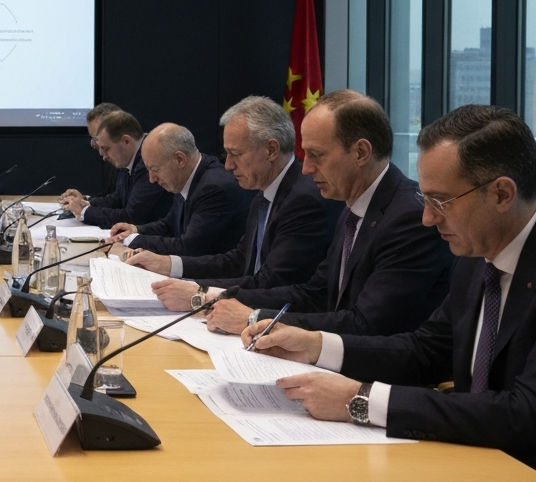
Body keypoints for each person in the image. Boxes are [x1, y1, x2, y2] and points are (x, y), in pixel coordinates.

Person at [246, 105, 536, 482]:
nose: (427, 217)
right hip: (479, 467)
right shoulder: (478, 252)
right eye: (424, 197)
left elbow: (528, 415)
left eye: (441, 201)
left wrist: (358, 400)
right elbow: (425, 351)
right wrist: (317, 346)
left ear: (502, 194)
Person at [154, 90, 453, 337]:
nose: (306, 168)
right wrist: (225, 303)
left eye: (317, 155)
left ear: (361, 152)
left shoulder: (409, 218)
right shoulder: (356, 206)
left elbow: (368, 324)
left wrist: (253, 318)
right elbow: (316, 293)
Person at [126, 96, 338, 291]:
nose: (227, 165)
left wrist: (199, 292)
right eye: (226, 154)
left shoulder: (303, 201)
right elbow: (238, 260)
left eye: (235, 154)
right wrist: (168, 264)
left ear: (271, 150)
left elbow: (271, 282)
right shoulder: (264, 195)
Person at [108, 122, 250, 257]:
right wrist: (136, 230)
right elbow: (169, 225)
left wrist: (133, 240)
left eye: (155, 169)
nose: (152, 179)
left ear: (180, 159)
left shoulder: (214, 189)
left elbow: (188, 247)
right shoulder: (185, 176)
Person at [59, 111, 172, 229]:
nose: (103, 156)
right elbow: (118, 199)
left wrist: (84, 212)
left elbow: (132, 217)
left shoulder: (148, 161)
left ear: (126, 142)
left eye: (106, 149)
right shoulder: (127, 158)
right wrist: (85, 202)